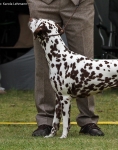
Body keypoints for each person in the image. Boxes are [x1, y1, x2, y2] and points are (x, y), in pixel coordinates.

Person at [26, 0, 104, 136]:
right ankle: (45, 121)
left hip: (80, 4)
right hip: (42, 3)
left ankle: (88, 120)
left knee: (86, 65)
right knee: (44, 65)